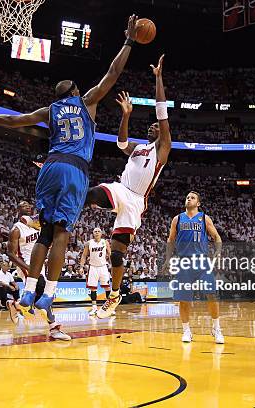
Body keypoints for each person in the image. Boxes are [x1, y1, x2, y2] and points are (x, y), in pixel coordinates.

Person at [0, 15, 139, 324]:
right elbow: (113, 72)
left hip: (48, 168)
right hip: (73, 169)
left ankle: (28, 291)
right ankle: (49, 292)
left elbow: (13, 120)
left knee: (45, 233)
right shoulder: (86, 101)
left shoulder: (47, 111)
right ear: (76, 92)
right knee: (63, 232)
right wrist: (129, 40)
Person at [85, 56, 171, 318]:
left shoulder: (162, 148)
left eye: (156, 127)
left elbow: (161, 111)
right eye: (151, 126)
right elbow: (121, 143)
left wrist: (158, 78)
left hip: (136, 202)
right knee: (90, 194)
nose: (152, 126)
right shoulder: (139, 147)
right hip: (121, 189)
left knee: (118, 254)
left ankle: (114, 295)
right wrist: (126, 115)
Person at [162, 192, 224, 344]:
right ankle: (186, 331)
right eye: (187, 197)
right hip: (184, 262)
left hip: (202, 261)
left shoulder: (204, 218)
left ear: (198, 203)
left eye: (192, 197)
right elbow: (170, 240)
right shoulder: (177, 219)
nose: (188, 198)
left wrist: (217, 252)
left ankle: (216, 328)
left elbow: (217, 237)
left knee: (212, 294)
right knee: (184, 299)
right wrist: (168, 259)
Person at [6, 201, 70, 340]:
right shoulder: (16, 229)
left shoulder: (37, 227)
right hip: (27, 265)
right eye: (23, 205)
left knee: (43, 296)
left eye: (29, 205)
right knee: (42, 292)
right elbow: (10, 253)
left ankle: (16, 305)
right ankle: (54, 327)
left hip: (39, 263)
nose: (28, 206)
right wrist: (27, 267)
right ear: (18, 210)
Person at [78, 227, 111, 316]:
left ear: (101, 233)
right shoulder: (89, 243)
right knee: (93, 288)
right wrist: (81, 267)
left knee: (107, 287)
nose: (97, 233)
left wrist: (113, 266)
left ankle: (108, 308)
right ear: (93, 233)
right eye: (95, 231)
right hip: (93, 267)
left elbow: (110, 254)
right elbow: (84, 256)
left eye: (98, 231)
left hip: (103, 267)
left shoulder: (105, 242)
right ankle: (94, 308)